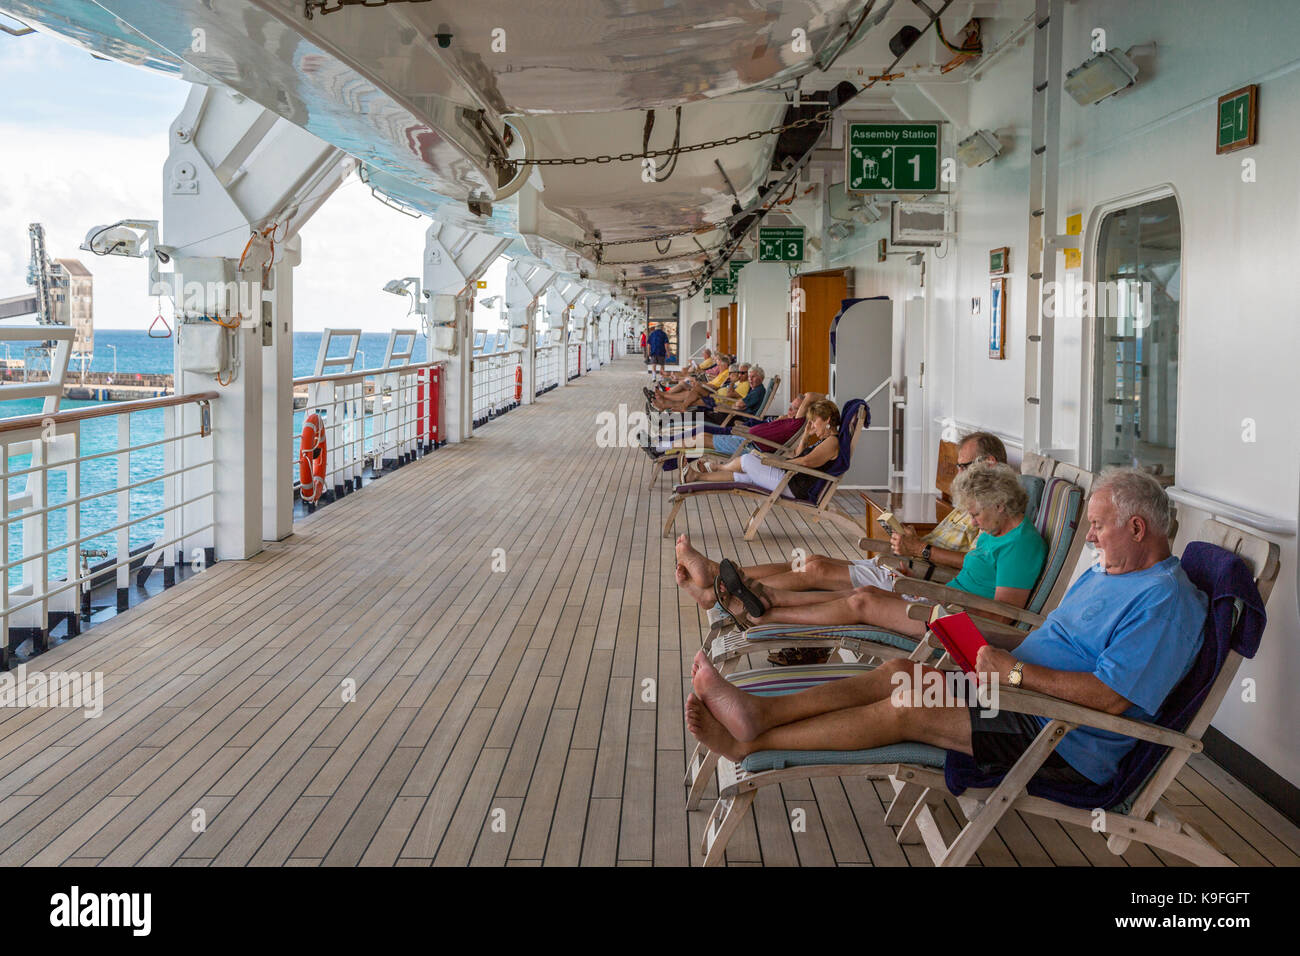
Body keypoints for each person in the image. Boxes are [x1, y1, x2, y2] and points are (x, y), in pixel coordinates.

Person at [685, 468, 1208, 789]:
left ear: (1137, 528)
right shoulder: (1110, 572)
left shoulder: (1163, 602)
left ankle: (750, 747)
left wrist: (1017, 673)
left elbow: (1112, 699)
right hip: (1013, 694)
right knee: (896, 673)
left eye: (1097, 526)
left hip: (1058, 734)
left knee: (909, 706)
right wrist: (987, 647)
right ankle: (759, 713)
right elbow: (1052, 639)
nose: (1090, 538)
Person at [677, 461, 1046, 633]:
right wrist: (924, 576)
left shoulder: (1022, 546)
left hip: (958, 628)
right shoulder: (996, 532)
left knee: (862, 601)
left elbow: (999, 621)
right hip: (940, 601)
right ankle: (755, 600)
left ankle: (760, 612)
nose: (973, 521)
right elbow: (974, 569)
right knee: (865, 590)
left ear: (1001, 504)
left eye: (976, 513)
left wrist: (931, 596)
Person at [680, 431, 1007, 594]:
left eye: (963, 466)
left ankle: (727, 592)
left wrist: (919, 549)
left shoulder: (993, 512)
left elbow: (980, 564)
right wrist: (911, 540)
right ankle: (724, 575)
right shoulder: (972, 501)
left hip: (919, 580)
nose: (959, 472)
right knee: (811, 561)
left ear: (989, 464)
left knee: (814, 573)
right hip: (909, 565)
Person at [680, 398, 840, 498]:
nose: (811, 425)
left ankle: (714, 466)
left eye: (814, 421)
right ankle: (696, 477)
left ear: (828, 420)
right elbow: (800, 456)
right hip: (788, 478)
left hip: (792, 486)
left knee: (748, 459)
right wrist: (805, 435)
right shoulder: (825, 440)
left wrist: (779, 463)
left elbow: (806, 462)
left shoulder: (832, 442)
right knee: (743, 475)